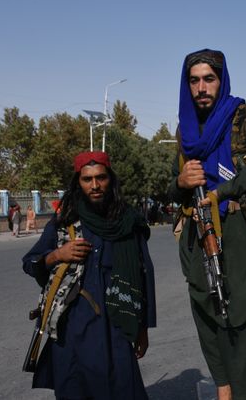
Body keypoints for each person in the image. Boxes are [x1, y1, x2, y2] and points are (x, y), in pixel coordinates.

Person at [168, 49, 246, 400]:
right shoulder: (185, 130)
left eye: (208, 79)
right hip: (197, 233)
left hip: (236, 229)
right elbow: (172, 187)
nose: (201, 87)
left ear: (221, 80)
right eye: (194, 80)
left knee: (240, 316)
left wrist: (222, 190)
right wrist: (182, 182)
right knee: (205, 310)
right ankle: (223, 387)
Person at [22, 151, 156, 399]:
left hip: (117, 327)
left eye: (101, 178)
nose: (95, 186)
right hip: (73, 329)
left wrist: (143, 329)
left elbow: (144, 274)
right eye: (87, 179)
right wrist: (57, 255)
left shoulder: (128, 222)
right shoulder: (66, 221)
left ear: (110, 180)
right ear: (78, 182)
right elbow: (30, 262)